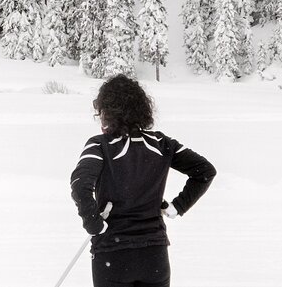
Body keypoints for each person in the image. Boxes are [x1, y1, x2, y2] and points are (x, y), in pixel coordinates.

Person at [69, 75, 217, 287]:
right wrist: (177, 206)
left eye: (101, 111)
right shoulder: (162, 143)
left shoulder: (100, 145)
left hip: (112, 255)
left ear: (110, 112)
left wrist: (93, 223)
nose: (100, 117)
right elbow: (205, 171)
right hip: (154, 256)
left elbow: (80, 184)